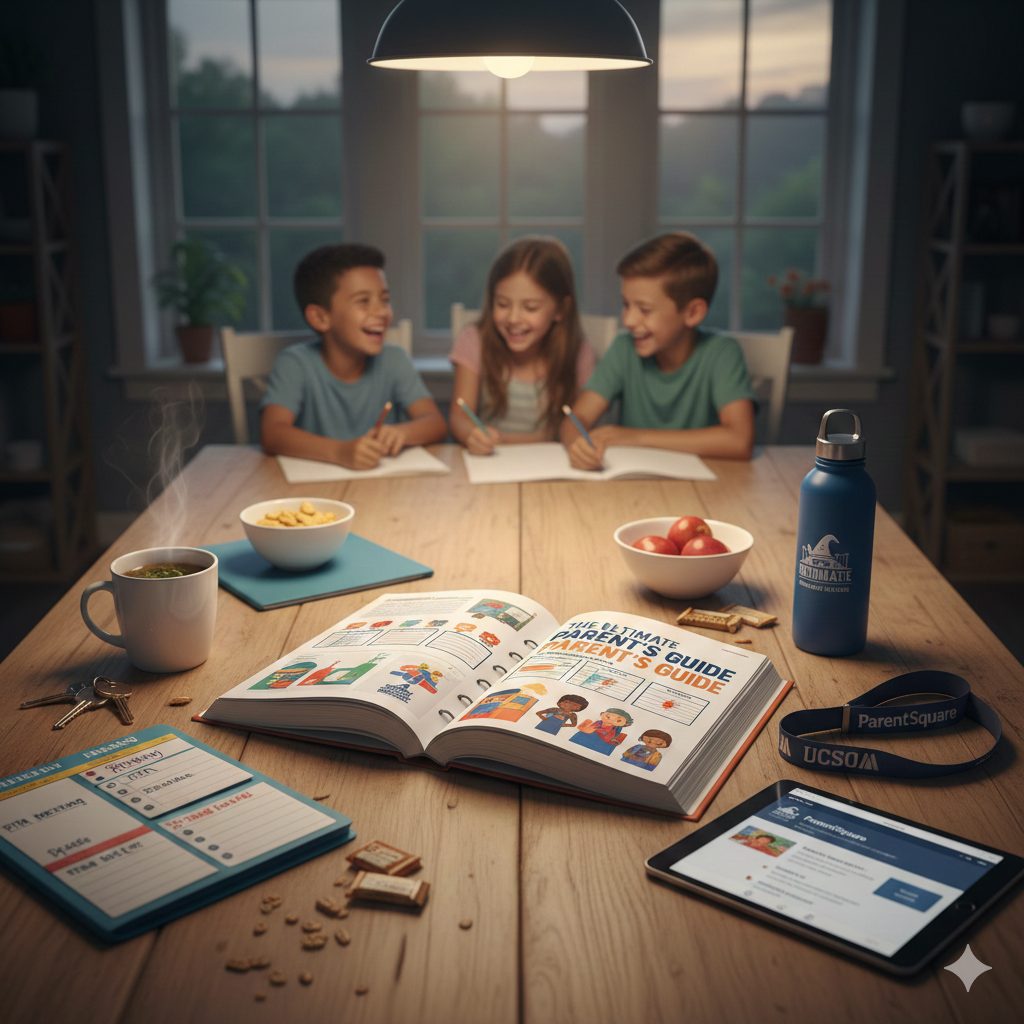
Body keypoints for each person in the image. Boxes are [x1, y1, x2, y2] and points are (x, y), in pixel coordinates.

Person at [562, 232, 755, 468]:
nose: (629, 320)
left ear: (692, 313)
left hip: (710, 491)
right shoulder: (624, 349)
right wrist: (578, 446)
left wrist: (633, 437)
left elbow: (739, 441)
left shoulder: (722, 353)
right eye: (626, 305)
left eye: (644, 309)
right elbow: (576, 419)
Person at [261, 243, 446, 470]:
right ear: (320, 317)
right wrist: (340, 452)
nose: (382, 312)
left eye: (385, 300)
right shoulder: (295, 363)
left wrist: (402, 432)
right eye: (363, 301)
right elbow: (272, 433)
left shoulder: (394, 359)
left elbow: (436, 423)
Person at [450, 236, 596, 455]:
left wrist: (509, 441)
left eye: (530, 307)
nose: (513, 319)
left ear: (560, 310)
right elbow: (460, 416)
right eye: (502, 304)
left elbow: (577, 424)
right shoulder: (474, 341)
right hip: (491, 464)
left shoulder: (578, 353)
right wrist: (472, 434)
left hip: (551, 466)